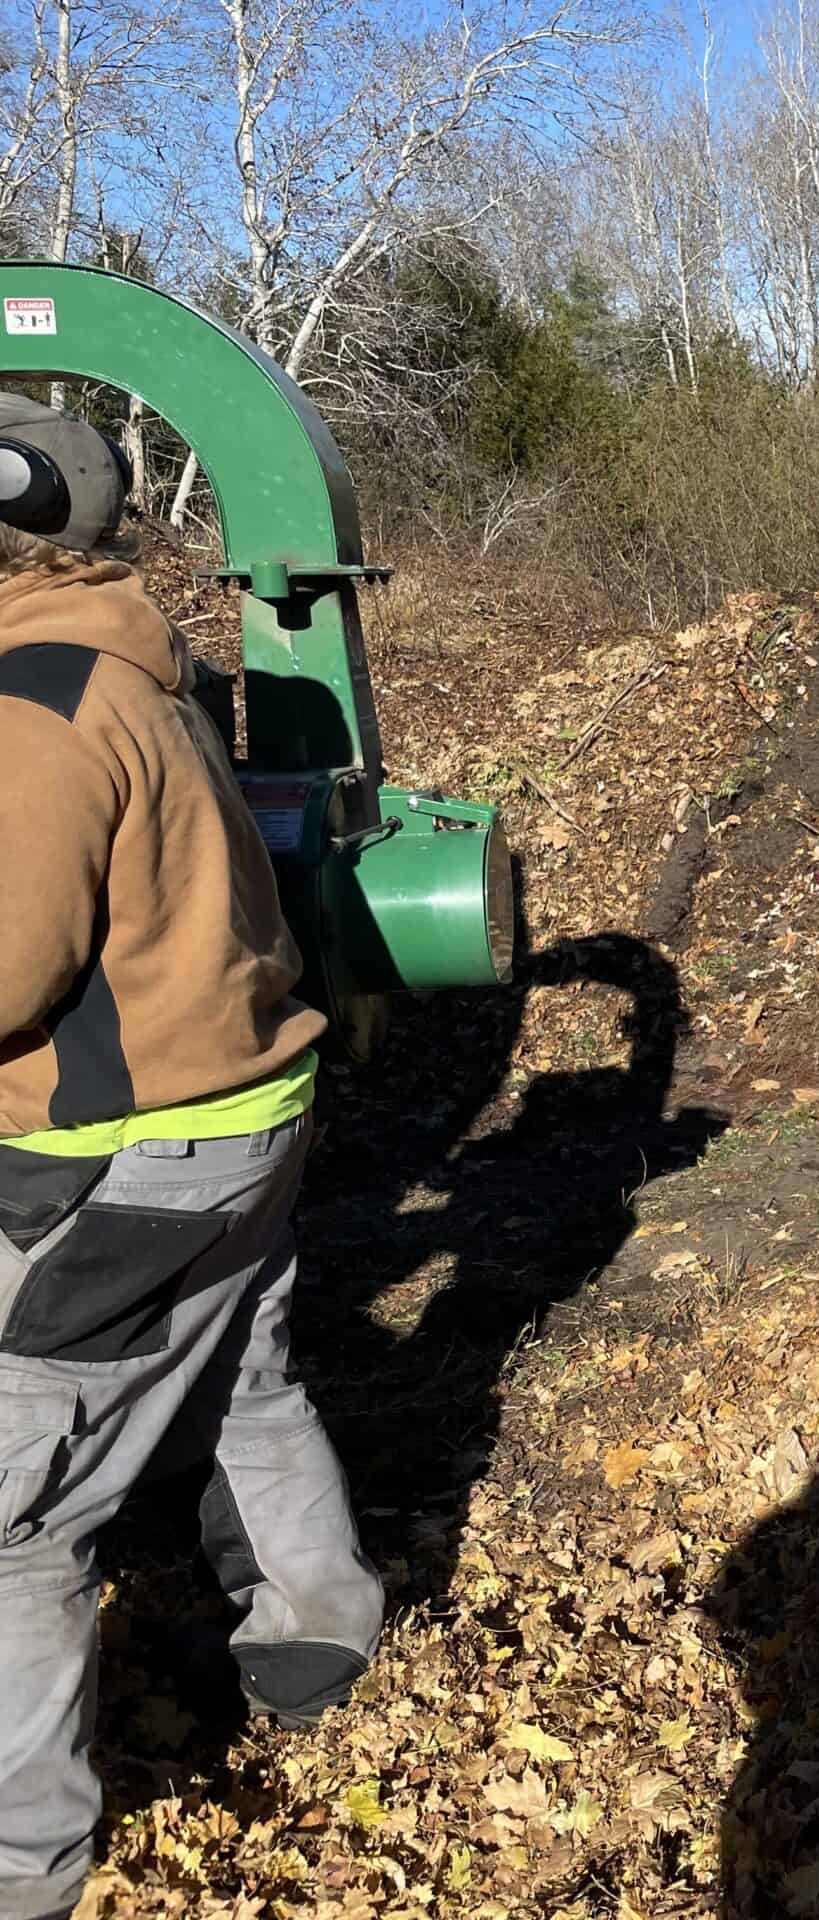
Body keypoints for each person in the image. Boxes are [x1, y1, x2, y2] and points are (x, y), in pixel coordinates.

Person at [0, 395, 382, 1920]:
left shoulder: (28, 712)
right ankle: (318, 1624)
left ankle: (20, 1864)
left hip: (117, 1164)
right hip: (240, 1123)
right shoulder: (127, 669)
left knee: (11, 1514)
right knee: (242, 1376)